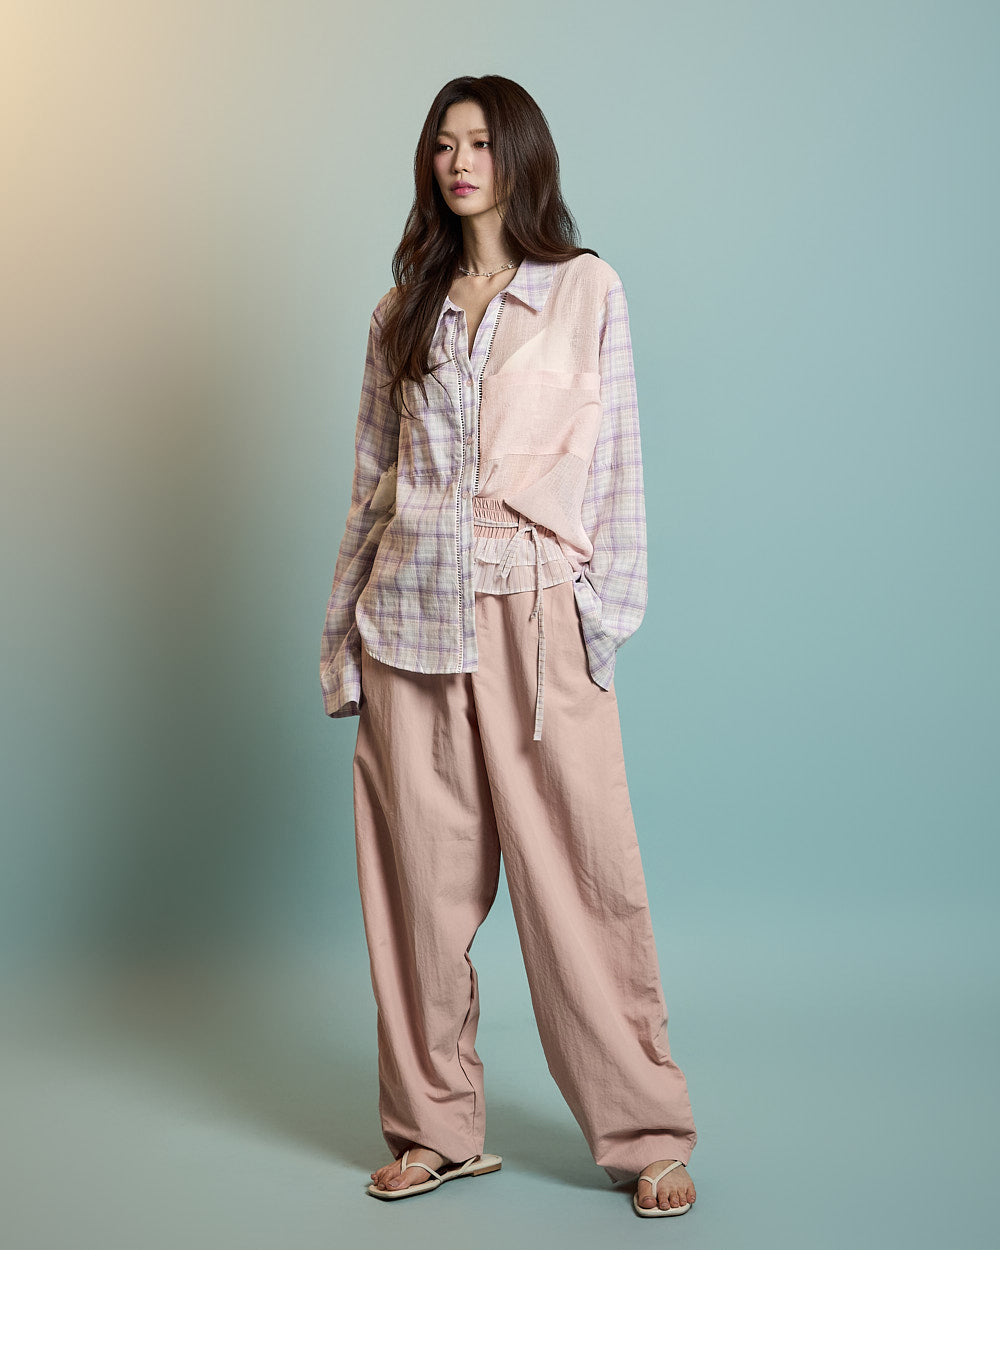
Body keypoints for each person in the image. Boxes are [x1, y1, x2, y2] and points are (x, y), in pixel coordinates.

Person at [320, 75, 698, 1218]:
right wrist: (341, 642)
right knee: (415, 895)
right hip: (409, 621)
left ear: (519, 154)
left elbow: (618, 466)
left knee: (584, 884)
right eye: (443, 143)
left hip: (535, 623)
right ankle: (433, 1131)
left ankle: (645, 1135)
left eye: (479, 141)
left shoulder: (585, 290)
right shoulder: (401, 312)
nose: (458, 161)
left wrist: (599, 619)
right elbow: (370, 486)